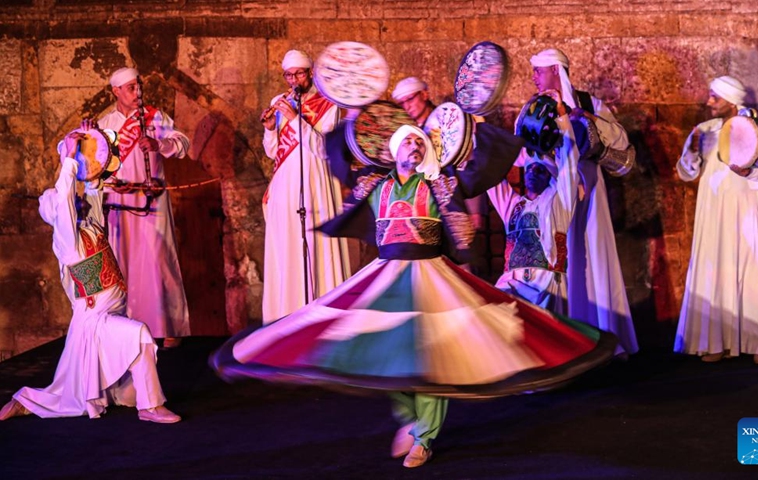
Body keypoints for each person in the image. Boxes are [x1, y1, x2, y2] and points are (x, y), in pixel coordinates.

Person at [211, 122, 618, 468]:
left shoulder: (439, 184)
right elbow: (334, 156)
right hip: (386, 275)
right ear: (393, 150)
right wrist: (351, 118)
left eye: (420, 143)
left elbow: (486, 168)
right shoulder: (375, 184)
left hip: (431, 274)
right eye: (408, 140)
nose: (415, 145)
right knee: (387, 352)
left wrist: (474, 123)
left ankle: (425, 436)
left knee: (431, 356)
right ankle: (409, 417)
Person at [0, 125, 180, 423]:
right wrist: (69, 159)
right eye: (71, 202)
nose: (76, 201)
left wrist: (91, 148)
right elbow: (64, 201)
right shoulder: (67, 240)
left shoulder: (91, 226)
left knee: (96, 380)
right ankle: (150, 407)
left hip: (111, 312)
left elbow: (94, 191)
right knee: (140, 335)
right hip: (94, 321)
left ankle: (126, 397)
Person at [528, 48, 639, 358]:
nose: (534, 77)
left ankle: (606, 342)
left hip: (590, 193)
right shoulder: (536, 109)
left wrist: (587, 120)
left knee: (595, 258)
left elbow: (620, 146)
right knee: (561, 262)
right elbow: (527, 154)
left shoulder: (591, 104)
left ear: (556, 71)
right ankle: (567, 344)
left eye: (539, 70)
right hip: (554, 197)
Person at [673, 76, 758, 364]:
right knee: (716, 269)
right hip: (713, 211)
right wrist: (690, 152)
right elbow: (686, 172)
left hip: (747, 208)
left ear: (731, 100)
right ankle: (715, 341)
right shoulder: (704, 130)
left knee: (752, 270)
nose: (709, 102)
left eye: (715, 97)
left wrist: (751, 175)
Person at [98, 67, 190, 348]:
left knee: (159, 260)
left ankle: (169, 326)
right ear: (116, 92)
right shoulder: (105, 123)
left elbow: (182, 143)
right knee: (123, 262)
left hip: (152, 201)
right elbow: (96, 164)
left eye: (138, 87)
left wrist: (158, 143)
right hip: (120, 202)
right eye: (130, 89)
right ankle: (126, 327)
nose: (136, 93)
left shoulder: (154, 117)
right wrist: (112, 181)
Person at [260, 50, 349, 324]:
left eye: (299, 73)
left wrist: (296, 118)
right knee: (287, 246)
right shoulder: (280, 102)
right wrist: (269, 129)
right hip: (285, 185)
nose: (293, 80)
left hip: (316, 184)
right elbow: (272, 151)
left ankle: (321, 317)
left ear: (310, 74)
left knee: (316, 245)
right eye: (289, 75)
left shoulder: (329, 105)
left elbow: (323, 149)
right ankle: (286, 316)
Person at [488, 90, 580, 315]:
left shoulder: (559, 204)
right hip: (512, 284)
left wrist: (561, 116)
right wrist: (477, 119)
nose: (533, 172)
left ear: (550, 177)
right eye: (530, 168)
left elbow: (569, 165)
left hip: (546, 285)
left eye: (540, 170)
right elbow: (488, 175)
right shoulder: (513, 206)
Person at [392, 77, 487, 232]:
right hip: (427, 210)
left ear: (424, 95)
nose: (406, 106)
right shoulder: (409, 136)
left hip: (457, 202)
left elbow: (470, 163)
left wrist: (475, 209)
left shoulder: (450, 121)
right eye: (401, 103)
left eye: (409, 99)